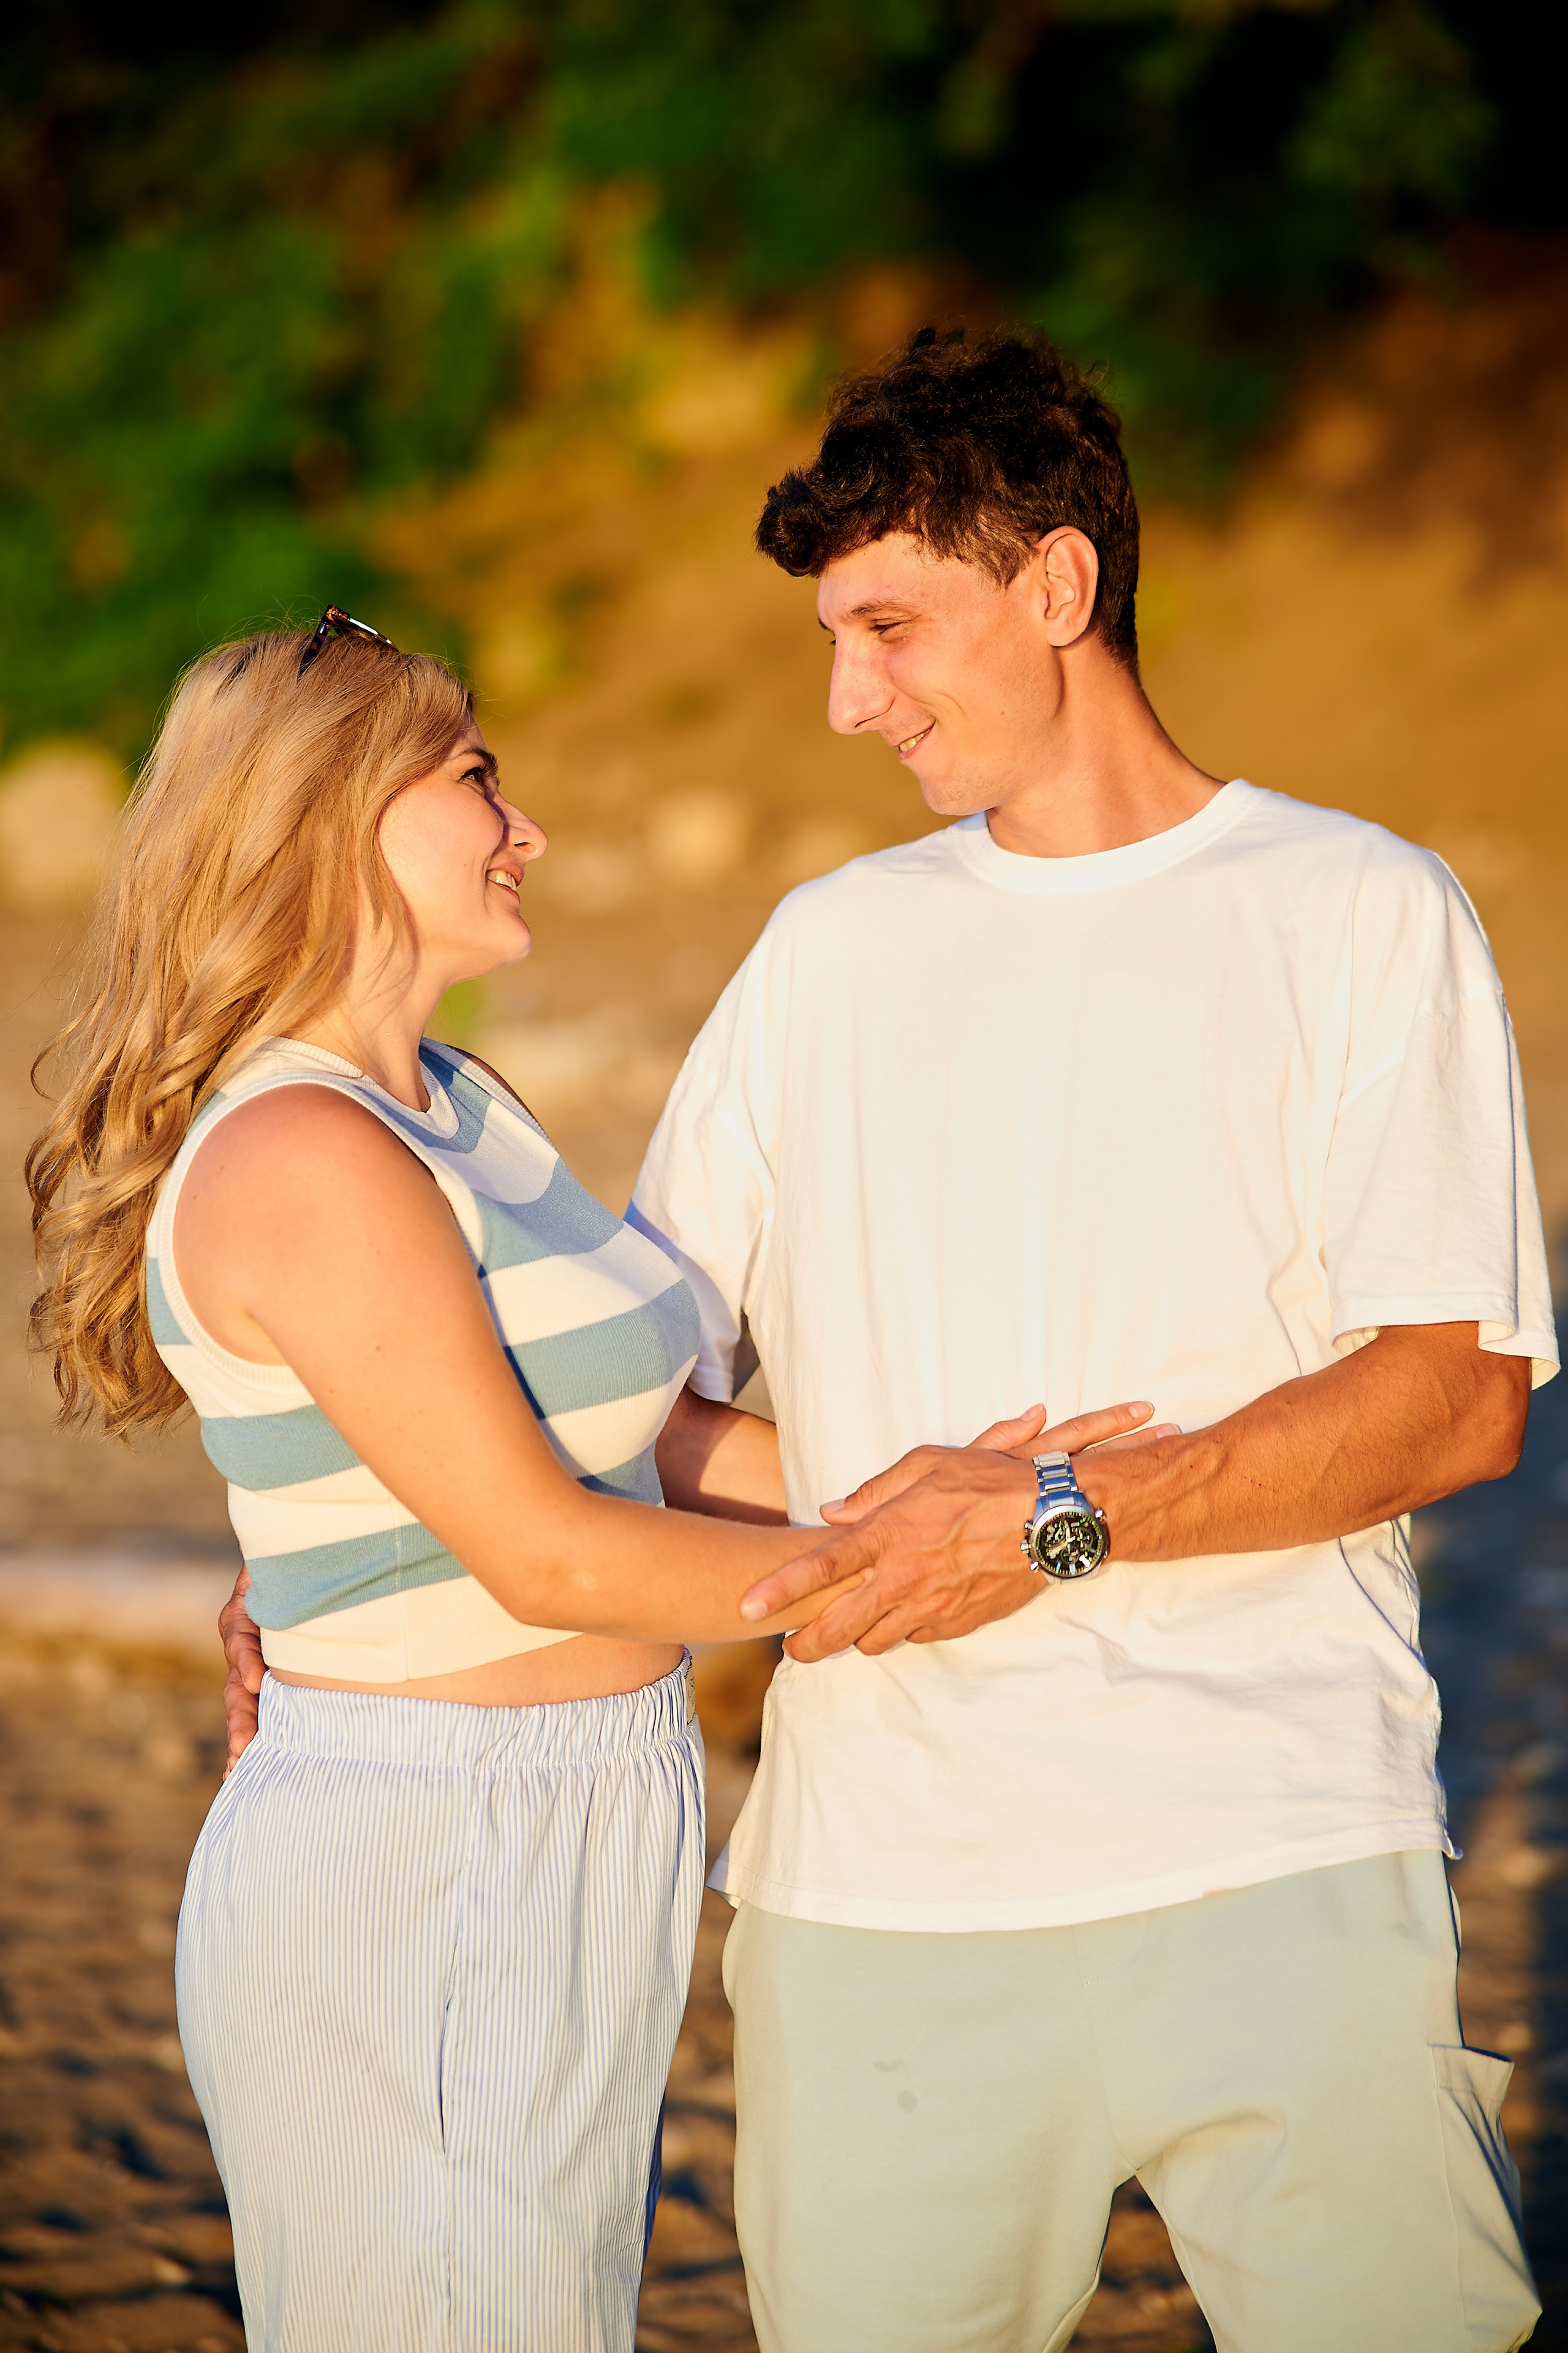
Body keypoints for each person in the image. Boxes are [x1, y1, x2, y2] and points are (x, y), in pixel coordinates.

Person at [26, 607, 1144, 2353]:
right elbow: (546, 1552)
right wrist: (908, 1558)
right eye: (475, 776)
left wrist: (968, 1483)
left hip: (583, 1811)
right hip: (423, 1837)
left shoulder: (459, 1106)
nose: (524, 823)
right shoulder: (303, 1152)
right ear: (332, 820)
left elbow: (640, 1442)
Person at [624, 329, 1552, 2352]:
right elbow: (636, 1395)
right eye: (830, 637)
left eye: (889, 624)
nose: (850, 699)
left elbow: (1457, 1393)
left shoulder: (1359, 912)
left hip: (1278, 1846)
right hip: (879, 1893)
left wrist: (1042, 1518)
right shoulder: (825, 953)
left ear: (1058, 585)